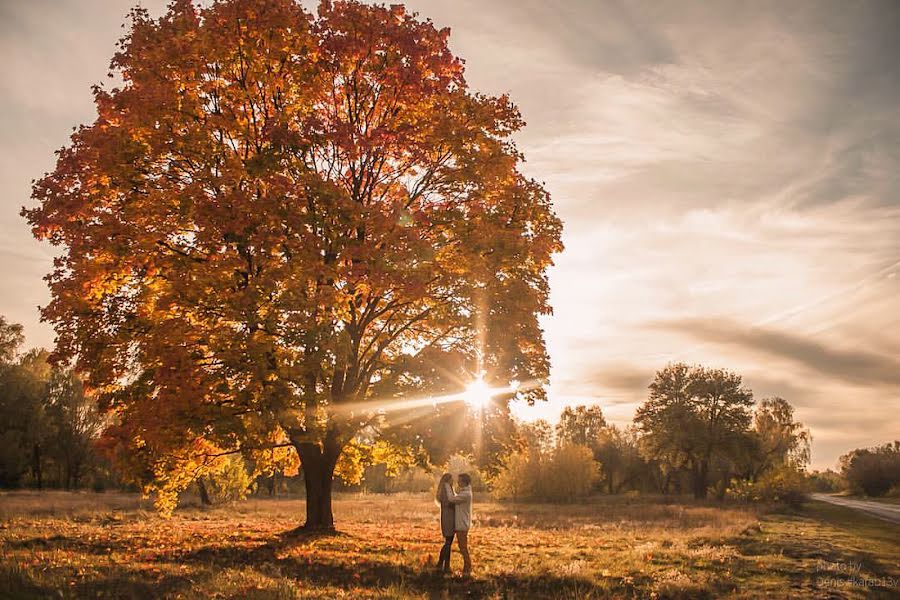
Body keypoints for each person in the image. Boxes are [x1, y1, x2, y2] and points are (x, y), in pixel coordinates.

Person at [446, 473, 473, 575]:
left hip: (462, 525)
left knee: (463, 547)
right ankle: (467, 568)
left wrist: (448, 487)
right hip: (461, 524)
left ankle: (468, 568)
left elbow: (452, 499)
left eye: (460, 481)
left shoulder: (466, 494)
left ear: (465, 482)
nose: (458, 482)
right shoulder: (465, 493)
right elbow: (455, 497)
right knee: (462, 546)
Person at [434, 473, 455, 573]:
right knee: (448, 542)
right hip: (449, 518)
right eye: (451, 479)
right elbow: (449, 503)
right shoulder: (446, 488)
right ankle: (444, 564)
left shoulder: (444, 488)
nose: (453, 481)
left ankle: (443, 564)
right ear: (448, 480)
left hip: (446, 517)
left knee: (448, 542)